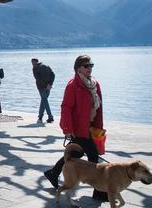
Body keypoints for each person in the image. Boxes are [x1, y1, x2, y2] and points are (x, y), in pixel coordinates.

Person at [44, 55, 108, 203]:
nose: (90, 68)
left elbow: (99, 107)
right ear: (78, 67)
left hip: (90, 128)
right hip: (77, 129)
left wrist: (99, 126)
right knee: (93, 156)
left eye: (91, 65)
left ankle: (53, 173)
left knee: (75, 155)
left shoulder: (94, 84)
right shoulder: (73, 85)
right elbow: (66, 107)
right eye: (86, 65)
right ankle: (99, 192)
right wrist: (67, 128)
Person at [32, 58, 56, 123]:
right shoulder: (47, 66)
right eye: (32, 63)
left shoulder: (35, 68)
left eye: (33, 63)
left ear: (36, 62)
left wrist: (47, 85)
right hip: (48, 86)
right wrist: (50, 84)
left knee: (45, 101)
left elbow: (38, 78)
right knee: (44, 101)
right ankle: (40, 116)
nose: (32, 64)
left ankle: (50, 117)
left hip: (42, 87)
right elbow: (53, 75)